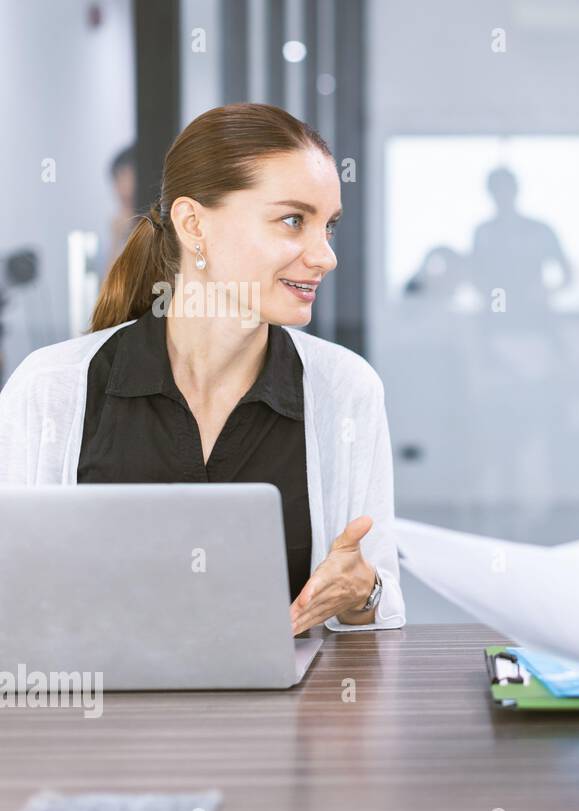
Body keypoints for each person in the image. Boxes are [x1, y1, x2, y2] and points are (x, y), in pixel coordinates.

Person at [0, 103, 404, 636]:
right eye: (292, 220)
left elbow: (377, 612)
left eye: (327, 226)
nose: (324, 255)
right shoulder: (52, 387)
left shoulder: (344, 389)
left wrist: (363, 593)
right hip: (98, 714)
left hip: (287, 717)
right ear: (194, 224)